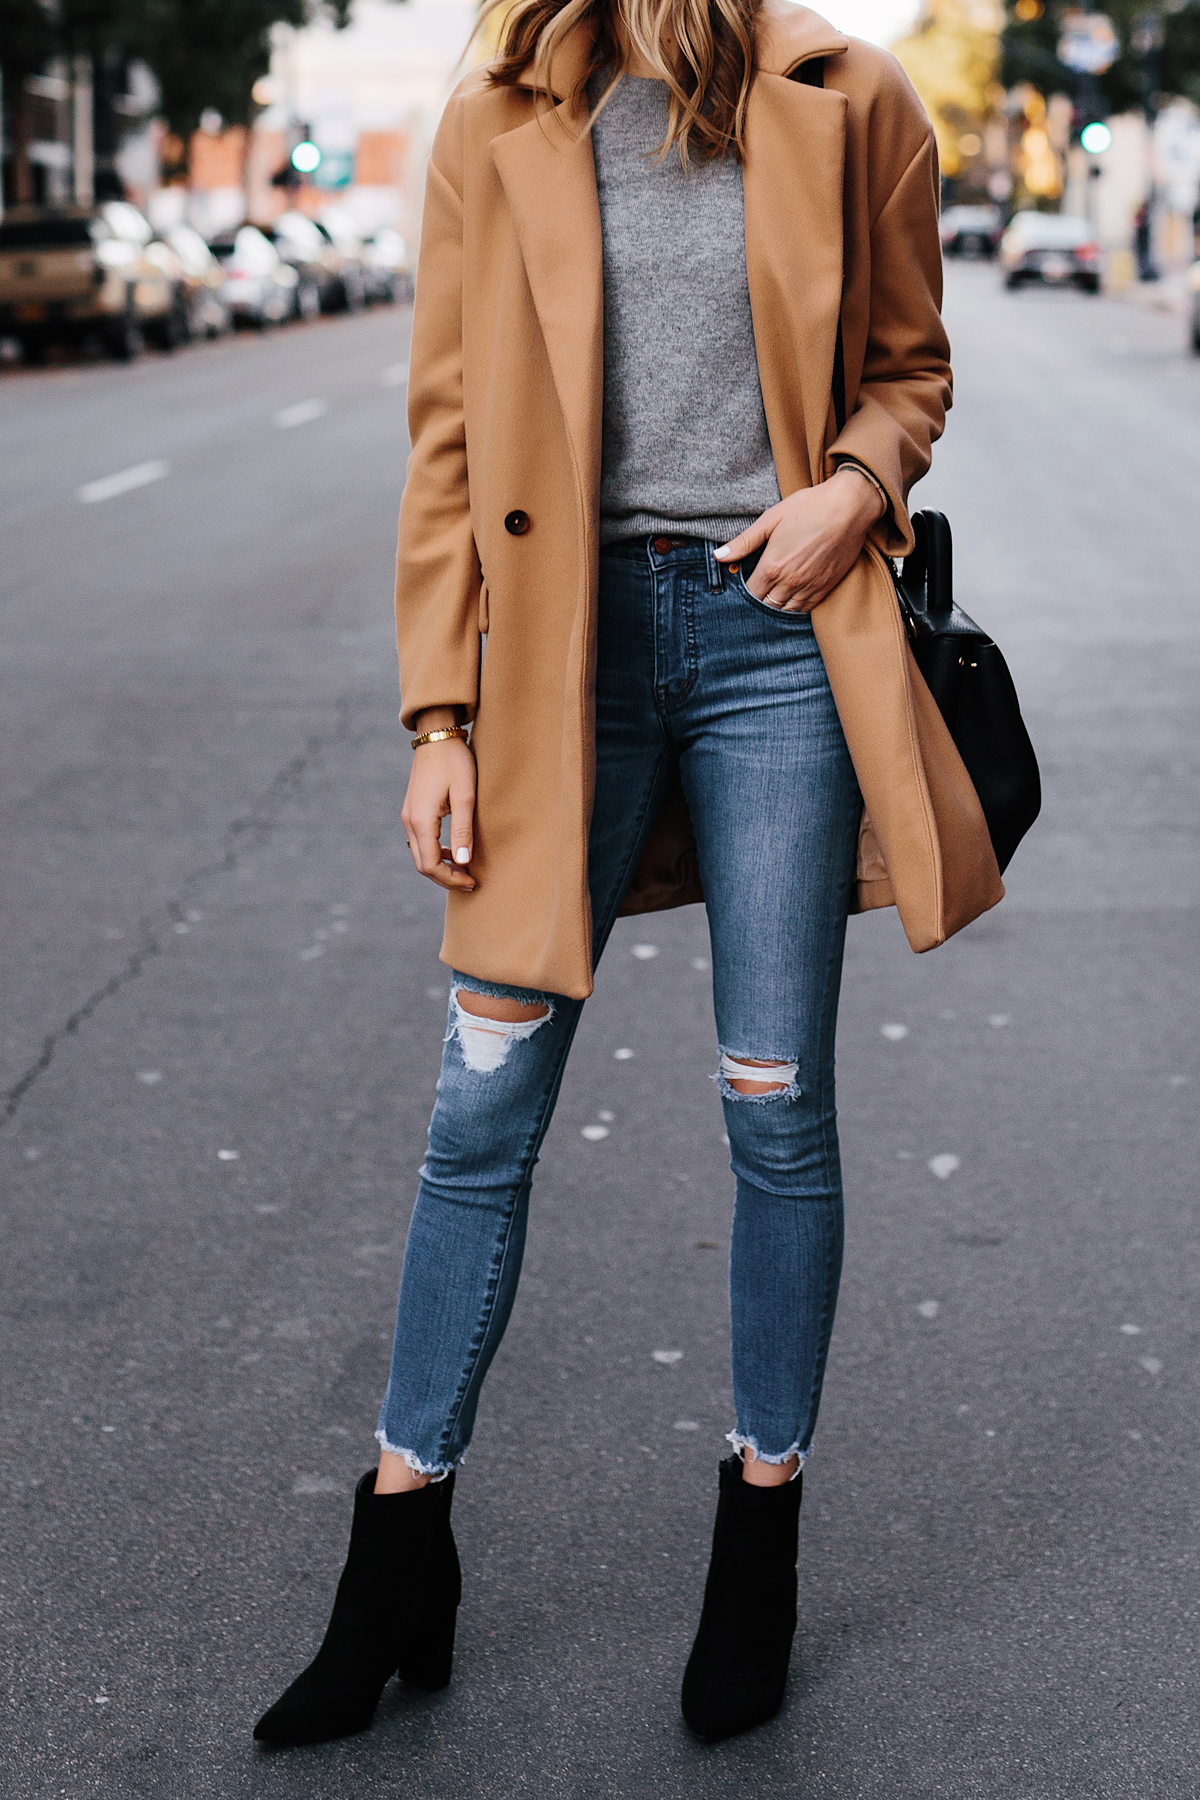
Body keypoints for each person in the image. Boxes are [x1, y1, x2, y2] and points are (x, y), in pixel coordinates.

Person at [254, 0, 1001, 1751]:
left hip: (775, 642)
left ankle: (759, 1548)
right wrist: (437, 713)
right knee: (483, 1107)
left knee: (775, 1106)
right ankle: (398, 1550)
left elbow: (912, 366)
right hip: (555, 663)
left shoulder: (852, 96)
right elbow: (446, 432)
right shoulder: (505, 113)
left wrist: (851, 490)